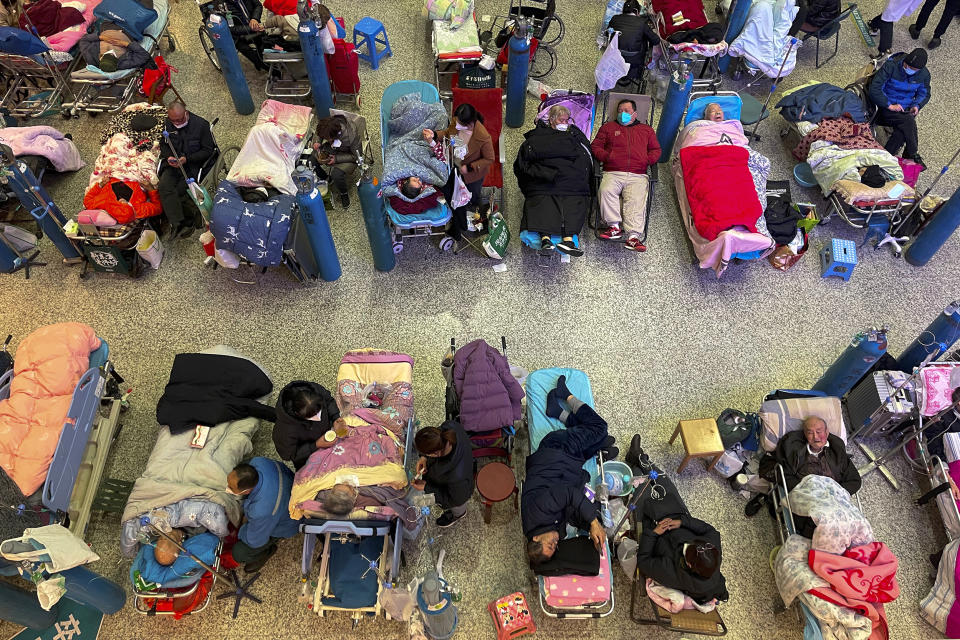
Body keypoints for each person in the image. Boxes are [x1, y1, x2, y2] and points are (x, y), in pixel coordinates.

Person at [521, 376, 616, 567]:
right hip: (567, 464)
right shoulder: (547, 527)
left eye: (551, 543)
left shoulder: (537, 512)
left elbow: (569, 494)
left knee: (599, 428)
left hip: (556, 450)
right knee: (604, 442)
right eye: (555, 547)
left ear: (537, 538)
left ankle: (567, 396)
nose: (557, 543)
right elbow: (569, 510)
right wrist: (588, 524)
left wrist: (593, 523)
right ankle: (557, 411)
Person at [633, 472, 729, 605]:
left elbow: (643, 562)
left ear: (688, 564)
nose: (686, 544)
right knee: (662, 480)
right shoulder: (712, 551)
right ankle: (643, 460)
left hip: (656, 531)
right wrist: (682, 522)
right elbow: (711, 531)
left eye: (687, 547)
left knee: (638, 487)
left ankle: (637, 464)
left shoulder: (672, 574)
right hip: (677, 518)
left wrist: (653, 533)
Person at [514, 105, 595, 257]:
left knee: (573, 200)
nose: (564, 122)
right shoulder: (539, 136)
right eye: (560, 119)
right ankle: (546, 240)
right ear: (551, 120)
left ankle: (568, 241)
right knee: (545, 199)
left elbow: (586, 156)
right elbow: (525, 160)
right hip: (547, 178)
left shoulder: (575, 135)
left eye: (567, 120)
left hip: (571, 180)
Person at [745, 416, 862, 519]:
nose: (815, 437)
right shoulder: (794, 451)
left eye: (819, 431)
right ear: (805, 435)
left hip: (833, 500)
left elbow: (855, 480)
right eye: (810, 433)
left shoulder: (837, 451)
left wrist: (834, 495)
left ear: (827, 432)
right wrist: (808, 493)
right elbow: (784, 475)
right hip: (804, 496)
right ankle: (768, 497)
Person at [592, 98, 661, 251]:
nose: (622, 113)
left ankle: (633, 237)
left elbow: (656, 150)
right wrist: (607, 157)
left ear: (634, 114)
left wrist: (645, 160)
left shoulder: (646, 130)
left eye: (627, 111)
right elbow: (596, 146)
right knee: (605, 190)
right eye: (620, 111)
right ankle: (614, 227)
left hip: (638, 173)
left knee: (635, 200)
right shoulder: (608, 127)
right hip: (613, 171)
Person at [424, 103, 494, 249]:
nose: (456, 124)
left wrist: (469, 167)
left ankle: (461, 223)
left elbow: (489, 159)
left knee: (468, 199)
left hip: (472, 174)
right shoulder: (457, 123)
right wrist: (435, 135)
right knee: (450, 192)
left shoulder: (483, 137)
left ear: (470, 123)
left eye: (460, 123)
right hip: (454, 165)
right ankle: (459, 221)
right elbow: (448, 134)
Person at [227, 457, 300, 573]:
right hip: (290, 491)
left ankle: (268, 551)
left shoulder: (261, 510)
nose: (227, 489)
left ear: (246, 491)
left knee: (239, 552)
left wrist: (240, 531)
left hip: (289, 523)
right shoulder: (259, 462)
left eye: (231, 488)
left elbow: (255, 540)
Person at [158, 101, 215, 240]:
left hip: (192, 165)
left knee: (179, 191)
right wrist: (169, 157)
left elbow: (208, 151)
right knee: (164, 187)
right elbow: (163, 145)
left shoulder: (201, 125)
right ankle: (177, 223)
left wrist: (187, 159)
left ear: (186, 113)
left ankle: (188, 221)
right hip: (173, 165)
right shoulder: (168, 124)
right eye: (174, 121)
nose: (177, 123)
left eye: (180, 120)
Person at [867, 48, 931, 167]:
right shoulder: (891, 66)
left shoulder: (924, 75)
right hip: (884, 107)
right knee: (908, 121)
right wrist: (889, 105)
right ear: (904, 62)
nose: (909, 70)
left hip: (903, 110)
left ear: (919, 70)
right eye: (908, 66)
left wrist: (916, 105)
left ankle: (882, 162)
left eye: (913, 69)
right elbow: (875, 89)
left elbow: (924, 93)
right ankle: (912, 153)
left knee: (901, 132)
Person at [413, 422, 473, 528]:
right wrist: (424, 458)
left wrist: (427, 487)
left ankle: (458, 515)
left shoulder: (457, 476)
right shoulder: (449, 427)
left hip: (458, 497)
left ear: (435, 453)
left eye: (426, 454)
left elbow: (454, 500)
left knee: (457, 508)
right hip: (453, 483)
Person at [272, 380, 341, 471]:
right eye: (311, 416)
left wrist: (336, 417)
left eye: (319, 410)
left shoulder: (316, 391)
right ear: (297, 414)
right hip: (309, 455)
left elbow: (329, 400)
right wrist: (315, 445)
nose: (318, 417)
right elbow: (288, 455)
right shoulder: (285, 430)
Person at [312, 114, 360, 209]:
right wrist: (317, 142)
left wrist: (336, 159)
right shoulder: (329, 124)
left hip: (348, 155)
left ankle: (343, 192)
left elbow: (357, 156)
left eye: (326, 138)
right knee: (312, 160)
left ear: (335, 135)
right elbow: (320, 133)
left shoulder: (351, 136)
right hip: (333, 148)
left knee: (337, 174)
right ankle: (326, 178)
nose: (324, 139)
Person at [140, 529, 220, 585]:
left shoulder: (155, 530)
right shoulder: (197, 531)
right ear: (180, 544)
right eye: (165, 539)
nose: (163, 536)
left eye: (161, 540)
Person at [607, 0, 659, 86]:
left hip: (614, 55)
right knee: (643, 38)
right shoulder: (642, 22)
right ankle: (635, 74)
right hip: (634, 59)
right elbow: (656, 40)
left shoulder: (615, 18)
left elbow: (607, 33)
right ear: (637, 11)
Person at [224, 0, 268, 71]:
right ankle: (268, 68)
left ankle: (264, 60)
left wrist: (255, 18)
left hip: (253, 26)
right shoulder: (221, 5)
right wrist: (251, 28)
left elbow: (258, 5)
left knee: (264, 41)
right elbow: (231, 28)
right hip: (237, 36)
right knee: (247, 50)